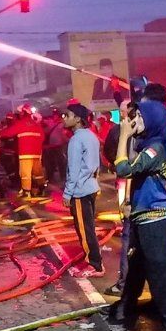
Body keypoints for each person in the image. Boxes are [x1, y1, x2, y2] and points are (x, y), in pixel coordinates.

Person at [108, 91, 166, 331]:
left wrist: (123, 134)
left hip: (158, 223)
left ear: (154, 118)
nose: (134, 119)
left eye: (140, 115)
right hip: (147, 222)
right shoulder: (149, 145)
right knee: (156, 282)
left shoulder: (155, 148)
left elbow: (122, 169)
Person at [62, 104, 105, 278]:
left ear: (78, 119)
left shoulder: (76, 140)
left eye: (68, 115)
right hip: (91, 187)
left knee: (85, 231)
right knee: (89, 228)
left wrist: (67, 193)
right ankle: (95, 261)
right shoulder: (91, 136)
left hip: (80, 190)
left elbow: (74, 169)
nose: (64, 118)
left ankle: (95, 265)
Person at [103, 101, 133, 298]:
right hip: (155, 196)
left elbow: (125, 167)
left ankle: (125, 284)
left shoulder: (121, 131)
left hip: (128, 185)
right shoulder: (150, 129)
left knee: (129, 234)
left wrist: (127, 200)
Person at [0, 105, 45, 199]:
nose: (20, 114)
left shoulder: (21, 123)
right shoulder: (36, 124)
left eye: (21, 112)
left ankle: (26, 192)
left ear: (24, 112)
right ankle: (41, 189)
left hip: (25, 154)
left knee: (25, 173)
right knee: (38, 173)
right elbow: (42, 137)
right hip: (36, 153)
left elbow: (9, 132)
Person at [42, 109, 67, 186]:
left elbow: (64, 134)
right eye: (54, 114)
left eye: (56, 114)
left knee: (61, 162)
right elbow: (45, 130)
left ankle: (63, 177)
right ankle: (50, 177)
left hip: (58, 146)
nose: (55, 116)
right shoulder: (51, 123)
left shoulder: (62, 124)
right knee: (51, 163)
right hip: (51, 146)